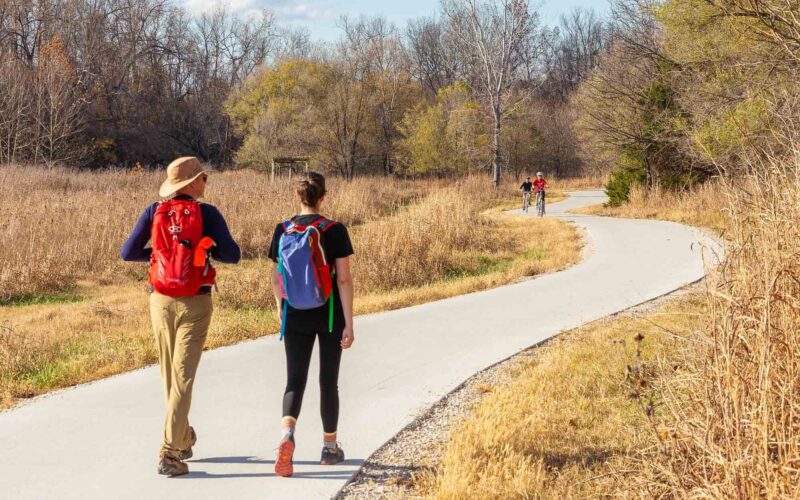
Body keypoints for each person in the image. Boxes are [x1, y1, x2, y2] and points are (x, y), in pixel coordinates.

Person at [121, 157, 241, 476]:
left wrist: (163, 256)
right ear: (190, 183)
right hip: (195, 303)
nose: (205, 183)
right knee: (183, 378)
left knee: (169, 376)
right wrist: (198, 253)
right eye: (202, 178)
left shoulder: (153, 211)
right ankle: (170, 453)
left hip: (160, 301)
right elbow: (233, 255)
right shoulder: (207, 214)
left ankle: (183, 436)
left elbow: (127, 252)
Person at [268, 171, 355, 477]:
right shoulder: (334, 230)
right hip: (329, 314)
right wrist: (349, 323)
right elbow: (343, 279)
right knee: (327, 381)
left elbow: (278, 276)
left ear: (298, 197)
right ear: (323, 197)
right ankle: (330, 449)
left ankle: (287, 434)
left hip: (294, 314)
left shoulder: (282, 230)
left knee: (295, 381)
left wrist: (280, 308)